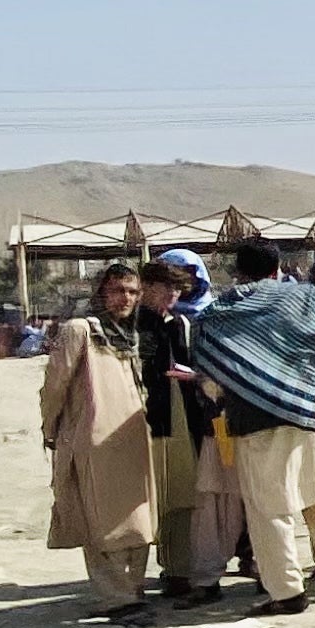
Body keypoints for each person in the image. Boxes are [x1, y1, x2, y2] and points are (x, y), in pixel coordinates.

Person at [189, 242, 315, 616]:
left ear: (239, 271)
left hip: (258, 420)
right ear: (278, 267)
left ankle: (287, 592)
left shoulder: (227, 310)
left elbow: (214, 372)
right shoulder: (308, 299)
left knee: (271, 510)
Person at [39, 266, 161, 627]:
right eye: (116, 290)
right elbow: (55, 385)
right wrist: (51, 427)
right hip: (91, 437)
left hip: (133, 436)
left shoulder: (134, 334)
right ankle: (115, 597)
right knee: (99, 519)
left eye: (131, 291)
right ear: (101, 294)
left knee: (137, 519)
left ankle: (131, 590)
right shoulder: (81, 331)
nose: (124, 298)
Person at [130, 259, 222, 605]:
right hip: (144, 418)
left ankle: (177, 570)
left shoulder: (181, 324)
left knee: (182, 497)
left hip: (182, 420)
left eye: (176, 288)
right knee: (145, 500)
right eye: (164, 287)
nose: (171, 294)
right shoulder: (132, 326)